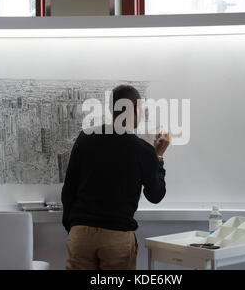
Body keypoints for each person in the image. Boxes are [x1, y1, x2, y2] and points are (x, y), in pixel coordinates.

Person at [61, 84, 170, 270]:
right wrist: (158, 156)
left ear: (112, 110)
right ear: (135, 109)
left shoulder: (85, 137)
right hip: (117, 236)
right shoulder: (143, 151)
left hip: (81, 233)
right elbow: (155, 195)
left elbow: (69, 189)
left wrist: (72, 226)